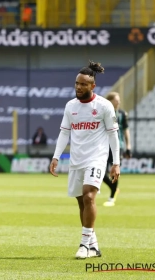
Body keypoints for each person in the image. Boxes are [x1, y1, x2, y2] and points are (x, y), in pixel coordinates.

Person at [49, 61, 120, 259]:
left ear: (92, 86)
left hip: (96, 158)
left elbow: (114, 135)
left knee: (89, 197)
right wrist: (56, 157)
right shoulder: (70, 106)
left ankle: (83, 244)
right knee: (82, 203)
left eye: (83, 84)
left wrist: (116, 163)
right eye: (77, 83)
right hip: (76, 160)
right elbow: (64, 133)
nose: (78, 87)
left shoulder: (104, 106)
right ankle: (94, 246)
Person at [102, 92, 131, 207]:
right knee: (101, 173)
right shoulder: (104, 113)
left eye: (119, 100)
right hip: (104, 146)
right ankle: (114, 189)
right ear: (110, 101)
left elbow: (126, 130)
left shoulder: (122, 114)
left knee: (114, 171)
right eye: (116, 100)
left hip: (117, 146)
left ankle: (112, 197)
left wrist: (128, 147)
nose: (118, 102)